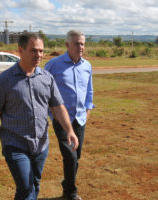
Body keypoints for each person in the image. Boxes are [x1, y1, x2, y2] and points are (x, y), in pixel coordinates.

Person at [0, 33, 79, 200]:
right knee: (26, 186)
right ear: (20, 50)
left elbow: (58, 107)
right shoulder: (4, 81)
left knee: (34, 183)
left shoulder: (47, 78)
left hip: (41, 145)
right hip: (15, 144)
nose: (39, 55)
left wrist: (70, 131)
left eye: (41, 51)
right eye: (34, 50)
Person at [45, 30, 95, 200]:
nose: (81, 47)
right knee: (70, 156)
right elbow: (44, 91)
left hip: (80, 120)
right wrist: (51, 114)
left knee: (75, 158)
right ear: (67, 45)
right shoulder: (53, 65)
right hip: (62, 120)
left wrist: (87, 112)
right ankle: (72, 193)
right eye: (77, 43)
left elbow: (89, 91)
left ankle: (67, 192)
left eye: (82, 43)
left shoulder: (87, 66)